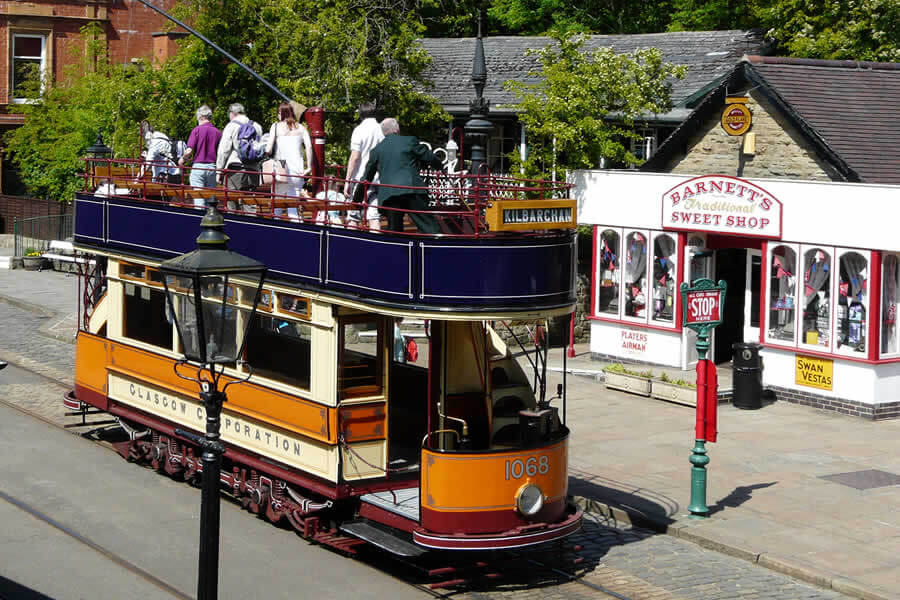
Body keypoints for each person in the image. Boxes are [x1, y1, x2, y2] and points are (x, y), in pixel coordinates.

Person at [356, 118, 442, 234]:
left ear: (383, 132)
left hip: (390, 194)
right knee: (428, 226)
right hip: (411, 190)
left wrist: (356, 199)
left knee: (394, 230)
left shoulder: (376, 150)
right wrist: (439, 166)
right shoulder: (409, 141)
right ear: (397, 129)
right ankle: (438, 245)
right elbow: (429, 158)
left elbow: (366, 177)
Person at [265, 102, 313, 218]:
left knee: (277, 208)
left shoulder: (276, 126)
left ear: (281, 113)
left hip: (282, 170)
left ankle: (277, 233)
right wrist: (309, 167)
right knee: (293, 209)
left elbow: (268, 149)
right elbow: (309, 146)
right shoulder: (301, 128)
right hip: (298, 172)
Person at [343, 101, 384, 230]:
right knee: (374, 217)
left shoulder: (359, 130)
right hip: (378, 179)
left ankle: (350, 246)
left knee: (353, 217)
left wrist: (347, 181)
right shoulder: (382, 129)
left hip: (360, 179)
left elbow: (355, 157)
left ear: (361, 114)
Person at [216, 103, 264, 200]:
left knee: (232, 202)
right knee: (250, 203)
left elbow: (223, 151)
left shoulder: (231, 126)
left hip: (235, 169)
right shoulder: (257, 126)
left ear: (232, 113)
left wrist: (219, 171)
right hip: (253, 169)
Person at [179, 105, 222, 200]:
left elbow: (189, 150)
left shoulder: (196, 130)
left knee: (199, 199)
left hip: (198, 167)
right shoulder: (218, 132)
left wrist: (182, 159)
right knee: (211, 199)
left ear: (201, 117)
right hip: (212, 168)